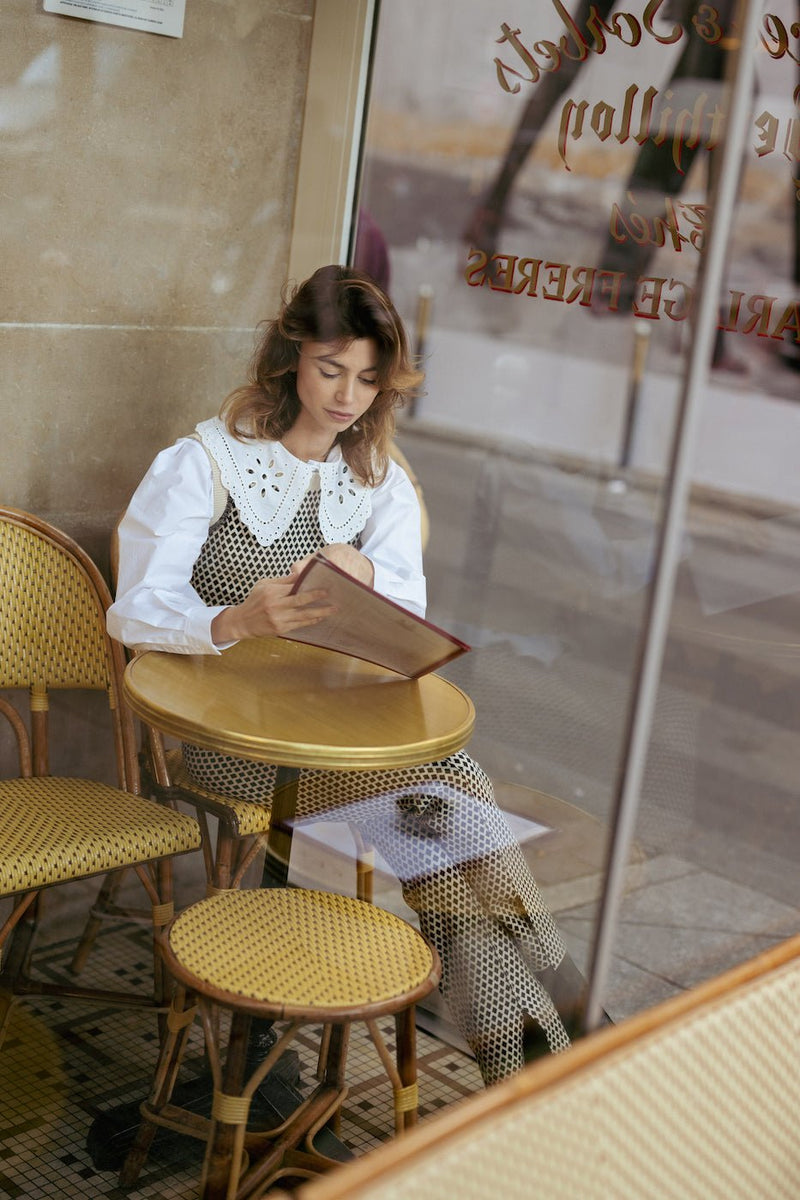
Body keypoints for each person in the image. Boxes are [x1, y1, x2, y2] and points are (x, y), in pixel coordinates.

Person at [107, 263, 594, 1086]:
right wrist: (237, 619)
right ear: (292, 357)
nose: (347, 396)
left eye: (369, 379)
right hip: (232, 742)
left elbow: (409, 608)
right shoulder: (207, 462)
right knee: (443, 798)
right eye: (332, 370)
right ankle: (554, 1020)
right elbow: (134, 610)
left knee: (442, 828)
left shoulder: (377, 481)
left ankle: (525, 1043)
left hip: (338, 743)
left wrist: (367, 581)